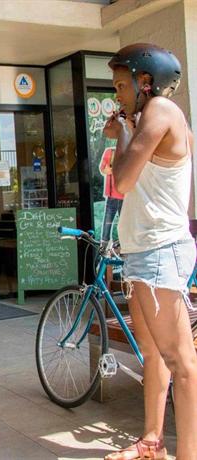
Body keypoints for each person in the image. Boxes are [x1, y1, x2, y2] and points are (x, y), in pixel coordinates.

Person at [103, 43, 197, 460]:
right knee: (154, 354)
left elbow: (122, 182)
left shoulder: (160, 111)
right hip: (144, 252)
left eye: (121, 86)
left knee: (181, 362)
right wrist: (126, 128)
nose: (117, 94)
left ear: (146, 82)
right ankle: (151, 442)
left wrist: (123, 131)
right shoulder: (147, 118)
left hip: (161, 252)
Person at [99, 146, 124, 244]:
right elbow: (103, 169)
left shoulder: (127, 151)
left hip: (124, 195)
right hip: (114, 195)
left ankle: (107, 244)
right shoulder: (110, 151)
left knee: (122, 223)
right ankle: (105, 245)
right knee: (108, 221)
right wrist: (107, 169)